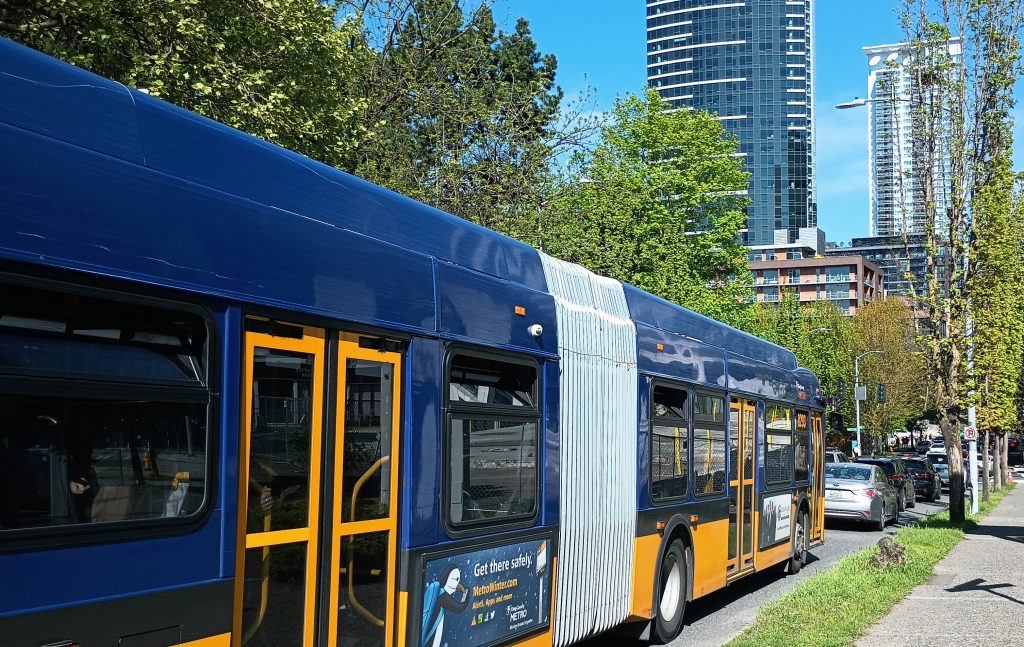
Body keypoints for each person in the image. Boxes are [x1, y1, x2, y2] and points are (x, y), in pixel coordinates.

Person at [422, 565, 471, 647]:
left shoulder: (436, 593)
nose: (458, 584)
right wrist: (466, 597)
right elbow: (458, 608)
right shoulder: (439, 592)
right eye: (455, 579)